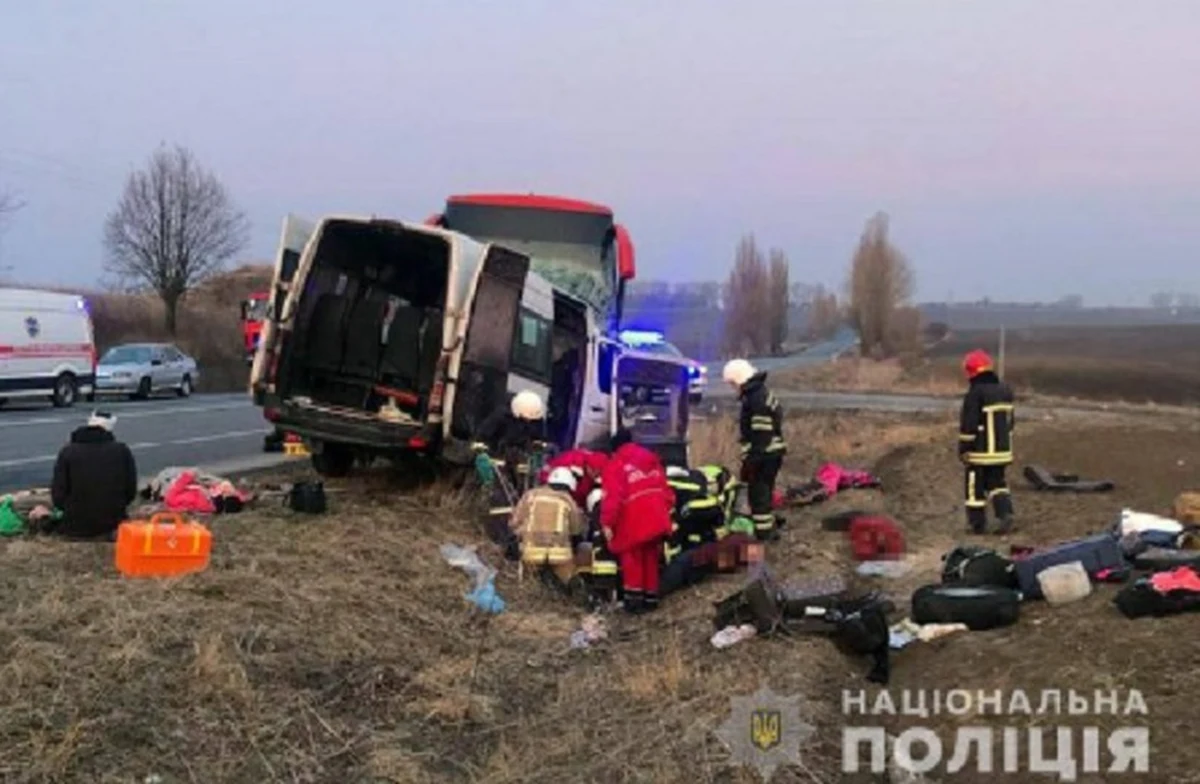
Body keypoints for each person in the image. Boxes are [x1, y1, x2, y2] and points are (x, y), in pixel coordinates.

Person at [599, 428, 674, 614]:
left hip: (634, 517)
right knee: (650, 557)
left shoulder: (616, 464)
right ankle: (651, 599)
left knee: (631, 558)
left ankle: (634, 603)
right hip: (658, 515)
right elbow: (666, 490)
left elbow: (613, 498)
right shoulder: (651, 459)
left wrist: (607, 523)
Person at [47, 411, 138, 540]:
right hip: (113, 524)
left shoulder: (67, 452)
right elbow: (130, 492)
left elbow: (58, 497)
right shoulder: (122, 451)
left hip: (74, 527)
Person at [723, 358, 787, 541]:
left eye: (732, 384)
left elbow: (761, 433)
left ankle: (764, 534)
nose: (733, 388)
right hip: (772, 453)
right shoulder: (759, 392)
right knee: (765, 491)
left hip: (764, 455)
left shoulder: (756, 399)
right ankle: (769, 526)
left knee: (758, 494)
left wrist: (752, 460)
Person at [958, 349, 1016, 534]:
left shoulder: (975, 393)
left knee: (974, 485)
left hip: (980, 452)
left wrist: (964, 448)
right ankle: (1005, 513)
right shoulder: (1005, 390)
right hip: (1002, 450)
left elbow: (969, 424)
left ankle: (977, 523)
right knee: (997, 483)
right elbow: (1011, 421)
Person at [510, 467, 587, 590]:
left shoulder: (530, 495)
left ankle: (530, 592)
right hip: (560, 553)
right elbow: (576, 529)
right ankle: (573, 594)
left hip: (531, 550)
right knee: (569, 578)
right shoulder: (568, 501)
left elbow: (515, 522)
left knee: (530, 580)